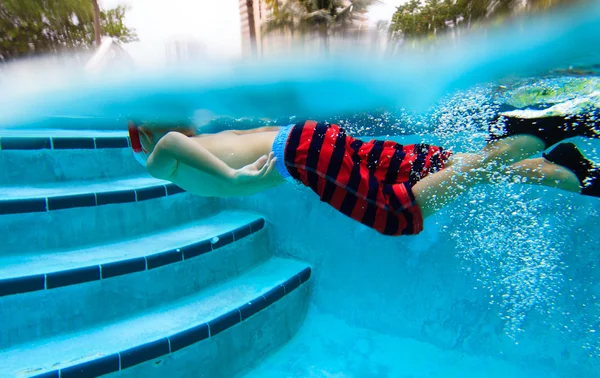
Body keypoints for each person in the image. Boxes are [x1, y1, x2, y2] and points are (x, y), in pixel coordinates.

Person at [128, 112, 599, 236]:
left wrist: (236, 183)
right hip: (314, 142)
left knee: (399, 214)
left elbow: (168, 145)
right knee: (441, 167)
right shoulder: (198, 148)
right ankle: (571, 173)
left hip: (300, 154)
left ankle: (533, 132)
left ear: (139, 136)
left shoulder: (166, 156)